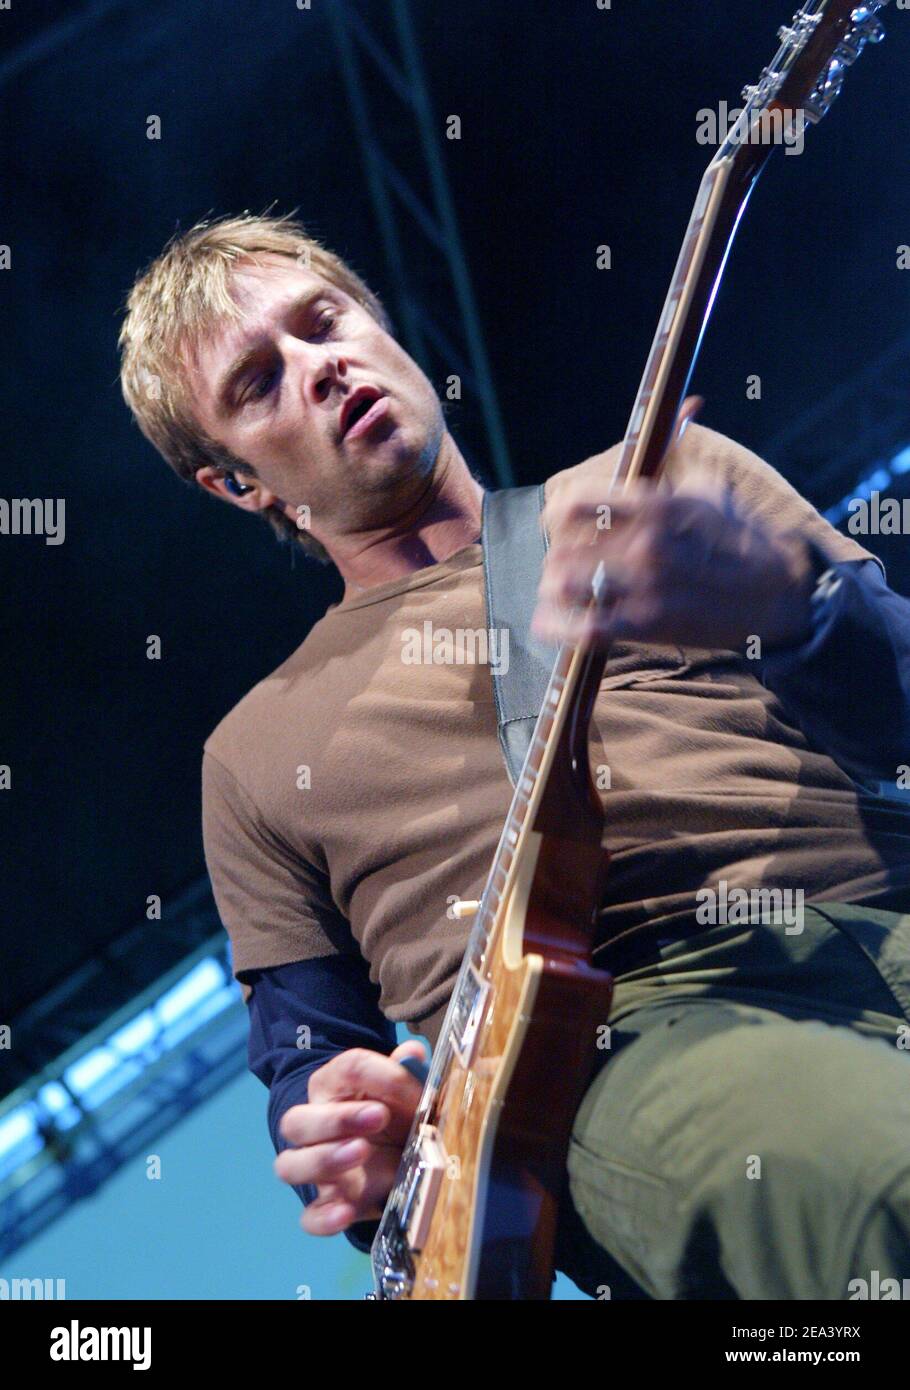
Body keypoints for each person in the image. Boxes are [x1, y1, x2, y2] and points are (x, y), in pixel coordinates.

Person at [119, 212, 910, 1299]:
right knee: (879, 1188)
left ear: (383, 326)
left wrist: (791, 603)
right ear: (236, 482)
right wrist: (351, 1126)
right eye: (258, 381)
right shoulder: (254, 756)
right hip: (619, 1047)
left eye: (325, 321)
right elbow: (309, 1059)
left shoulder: (659, 485)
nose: (319, 366)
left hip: (886, 906)